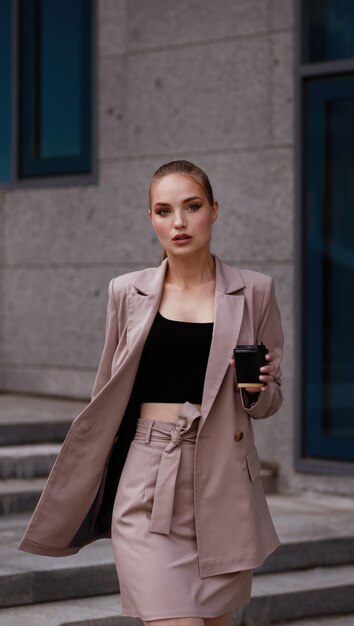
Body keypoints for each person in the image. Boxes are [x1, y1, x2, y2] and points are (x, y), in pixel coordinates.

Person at [19, 160, 284, 626]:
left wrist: (255, 389)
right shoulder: (127, 291)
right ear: (151, 219)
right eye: (164, 210)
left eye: (192, 206)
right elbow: (108, 389)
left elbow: (268, 400)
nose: (178, 222)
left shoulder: (255, 291)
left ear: (214, 211)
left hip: (222, 485)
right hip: (145, 477)